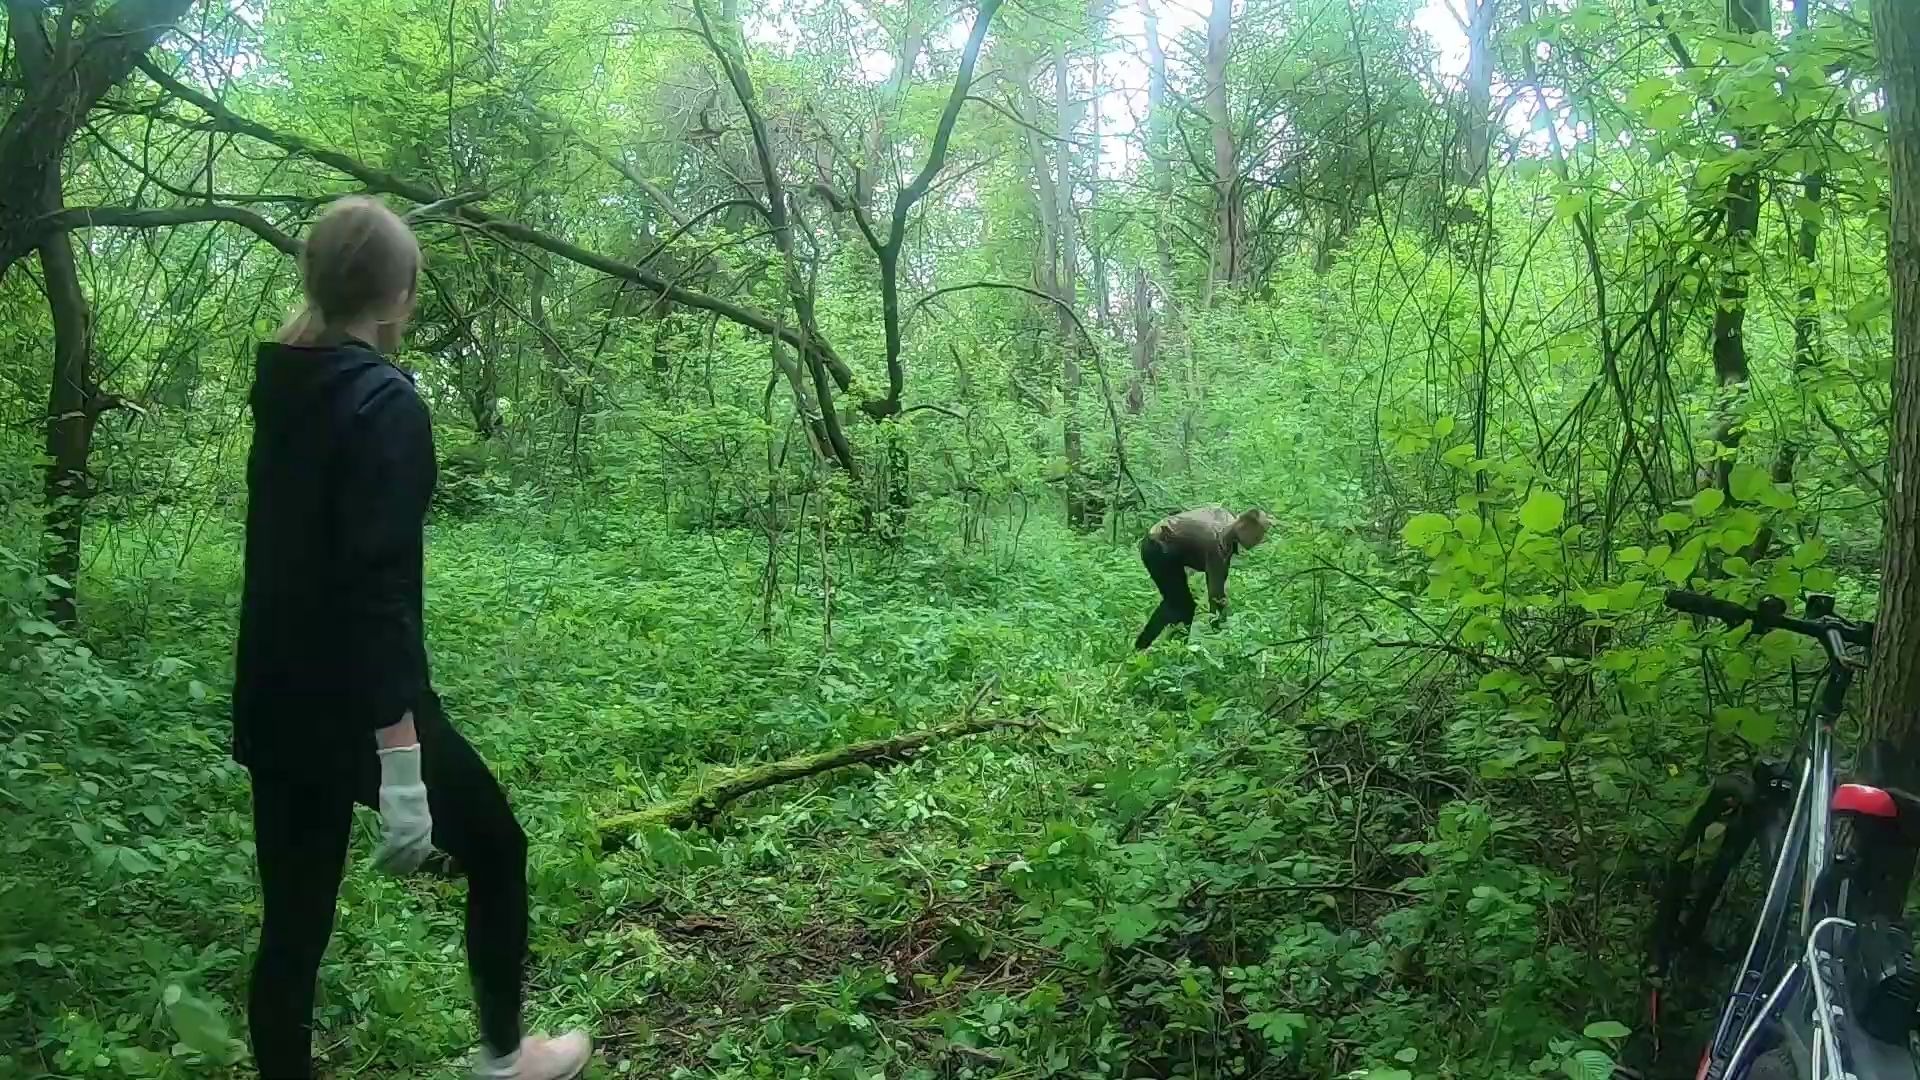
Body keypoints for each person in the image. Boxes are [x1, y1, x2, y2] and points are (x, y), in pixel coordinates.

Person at [231, 197, 592, 1080]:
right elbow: (376, 590)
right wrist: (400, 761)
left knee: (293, 931)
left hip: (277, 702)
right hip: (362, 708)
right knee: (500, 849)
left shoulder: (284, 383)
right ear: (399, 295)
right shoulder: (383, 402)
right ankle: (508, 1060)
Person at [1134, 506, 1274, 650]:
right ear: (1243, 526)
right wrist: (1221, 631)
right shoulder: (1217, 542)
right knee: (1179, 606)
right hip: (1157, 547)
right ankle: (1148, 648)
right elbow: (1216, 596)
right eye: (1257, 537)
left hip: (1166, 541)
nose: (1258, 541)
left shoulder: (1226, 519)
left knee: (1180, 604)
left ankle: (1167, 647)